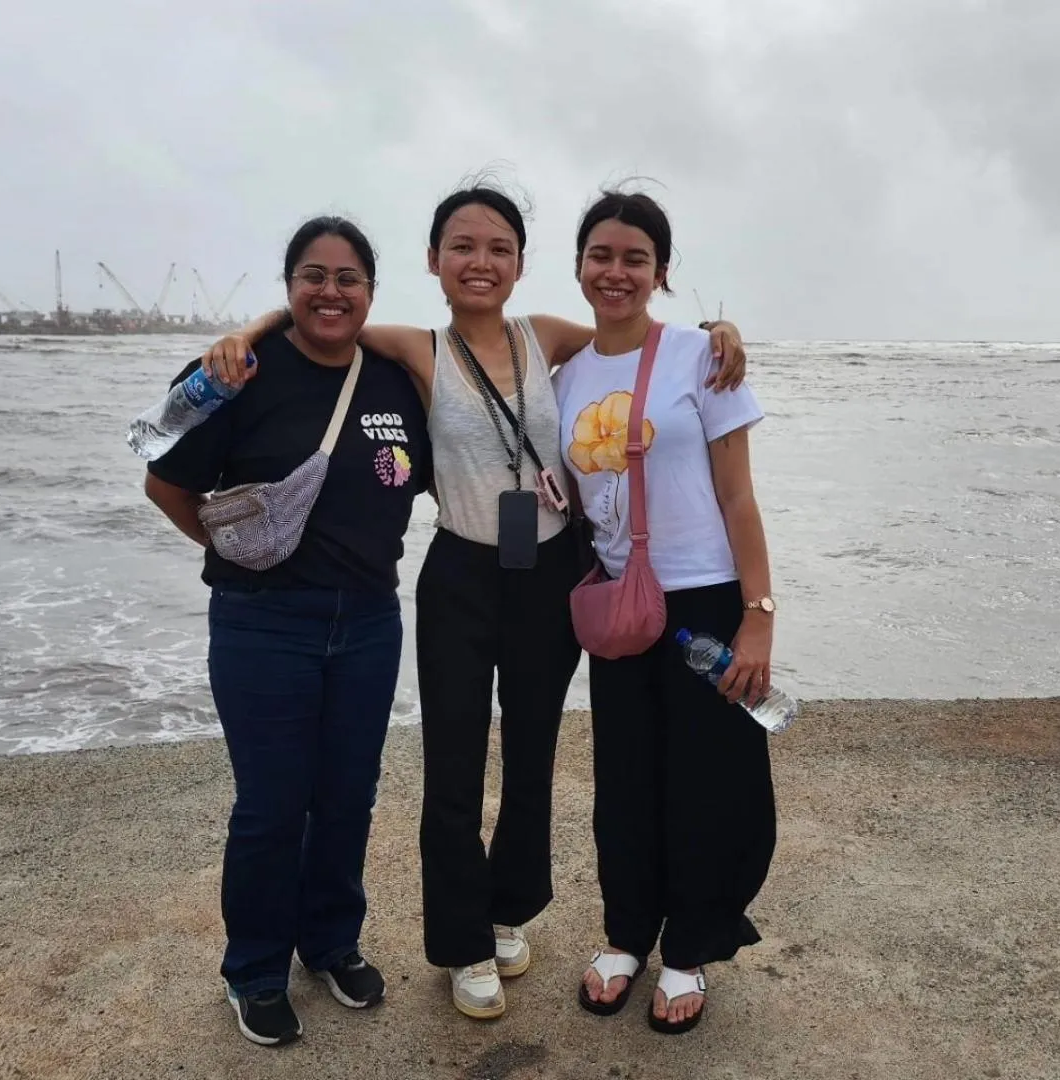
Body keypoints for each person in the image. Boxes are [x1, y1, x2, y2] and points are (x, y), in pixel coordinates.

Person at [201, 185, 748, 1020]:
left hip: (550, 569)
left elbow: (636, 342)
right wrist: (244, 332)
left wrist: (718, 332)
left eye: (499, 248)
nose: (480, 262)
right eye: (462, 246)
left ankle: (505, 913)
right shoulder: (417, 349)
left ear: (523, 265)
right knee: (453, 767)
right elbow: (323, 315)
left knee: (531, 759)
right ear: (433, 261)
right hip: (459, 573)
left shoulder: (549, 338)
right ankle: (460, 945)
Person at [143, 216, 431, 1046]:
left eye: (348, 277)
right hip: (263, 625)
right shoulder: (241, 375)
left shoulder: (394, 381)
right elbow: (165, 483)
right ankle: (256, 969)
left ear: (371, 291)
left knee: (348, 796)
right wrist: (239, 557)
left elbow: (492, 389)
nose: (331, 290)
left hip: (371, 621)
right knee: (272, 808)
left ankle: (331, 941)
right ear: (288, 286)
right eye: (313, 275)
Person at [553, 191, 778, 1035]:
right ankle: (625, 933)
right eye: (601, 255)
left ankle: (688, 946)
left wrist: (758, 614)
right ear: (579, 265)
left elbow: (739, 495)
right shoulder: (564, 376)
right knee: (626, 777)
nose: (616, 272)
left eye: (635, 258)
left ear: (661, 273)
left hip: (707, 600)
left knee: (711, 780)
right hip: (621, 608)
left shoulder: (701, 359)